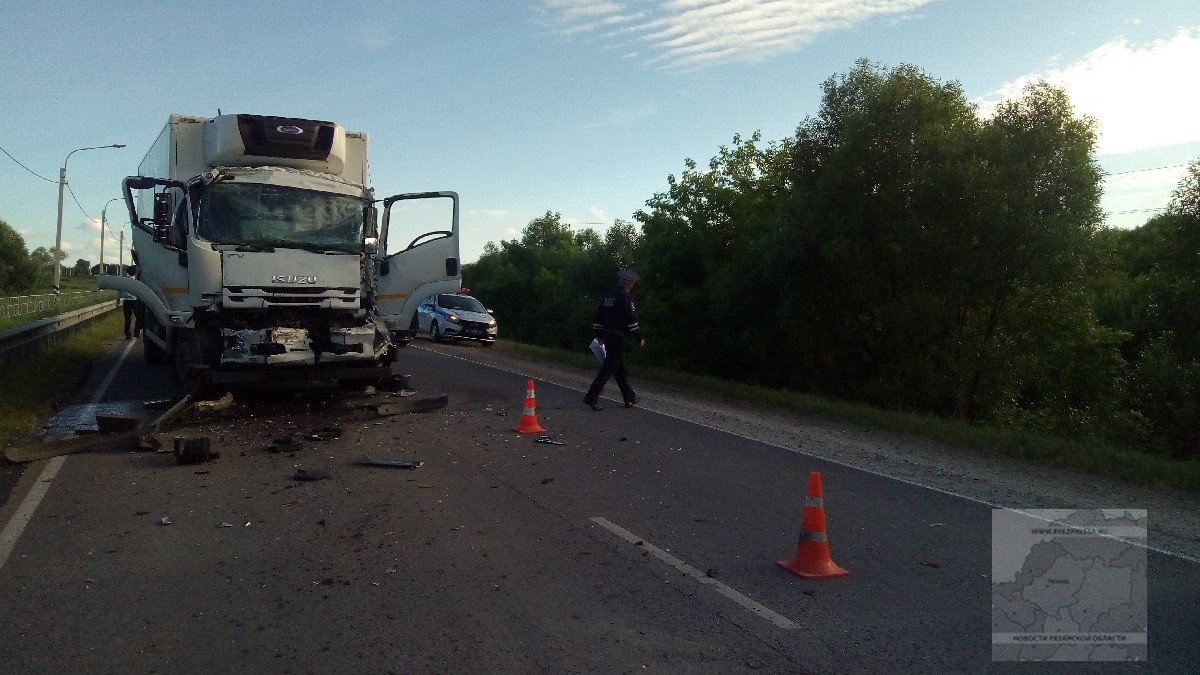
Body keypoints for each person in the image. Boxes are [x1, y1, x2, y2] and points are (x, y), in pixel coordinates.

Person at [584, 268, 645, 411]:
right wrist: (639, 337)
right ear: (629, 284)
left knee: (620, 369)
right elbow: (631, 321)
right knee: (608, 368)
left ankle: (629, 397)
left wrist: (598, 334)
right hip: (618, 337)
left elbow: (598, 317)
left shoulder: (609, 296)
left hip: (607, 335)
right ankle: (591, 397)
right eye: (633, 284)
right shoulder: (625, 298)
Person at [118, 265, 144, 339]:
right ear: (136, 272)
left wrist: (118, 301)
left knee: (127, 319)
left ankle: (128, 335)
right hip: (135, 301)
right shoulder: (136, 281)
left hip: (126, 302)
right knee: (138, 318)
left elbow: (119, 292)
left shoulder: (123, 281)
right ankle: (136, 333)